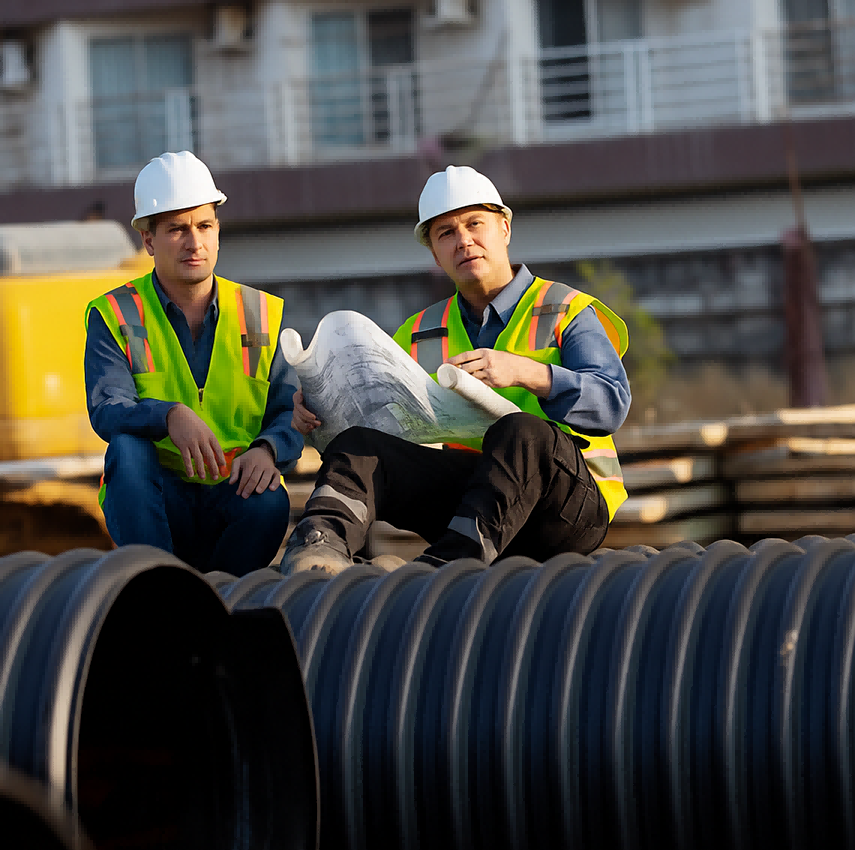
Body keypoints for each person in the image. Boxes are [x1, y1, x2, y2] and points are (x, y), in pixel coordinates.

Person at [283, 164, 631, 572]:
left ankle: (449, 566)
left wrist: (524, 373)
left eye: (474, 224)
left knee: (520, 430)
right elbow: (382, 425)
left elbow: (612, 404)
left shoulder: (566, 310)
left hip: (565, 509)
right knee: (360, 442)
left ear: (504, 228)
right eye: (446, 233)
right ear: (434, 252)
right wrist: (320, 411)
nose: (463, 241)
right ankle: (321, 548)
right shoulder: (416, 333)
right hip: (473, 503)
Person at [84, 150, 302, 575]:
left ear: (218, 230)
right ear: (148, 240)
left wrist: (267, 449)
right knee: (126, 451)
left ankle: (223, 603)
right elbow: (108, 409)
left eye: (204, 226)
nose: (194, 242)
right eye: (176, 229)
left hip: (232, 497)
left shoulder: (259, 312)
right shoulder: (115, 313)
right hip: (158, 501)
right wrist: (169, 417)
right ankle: (158, 587)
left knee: (269, 495)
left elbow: (289, 408)